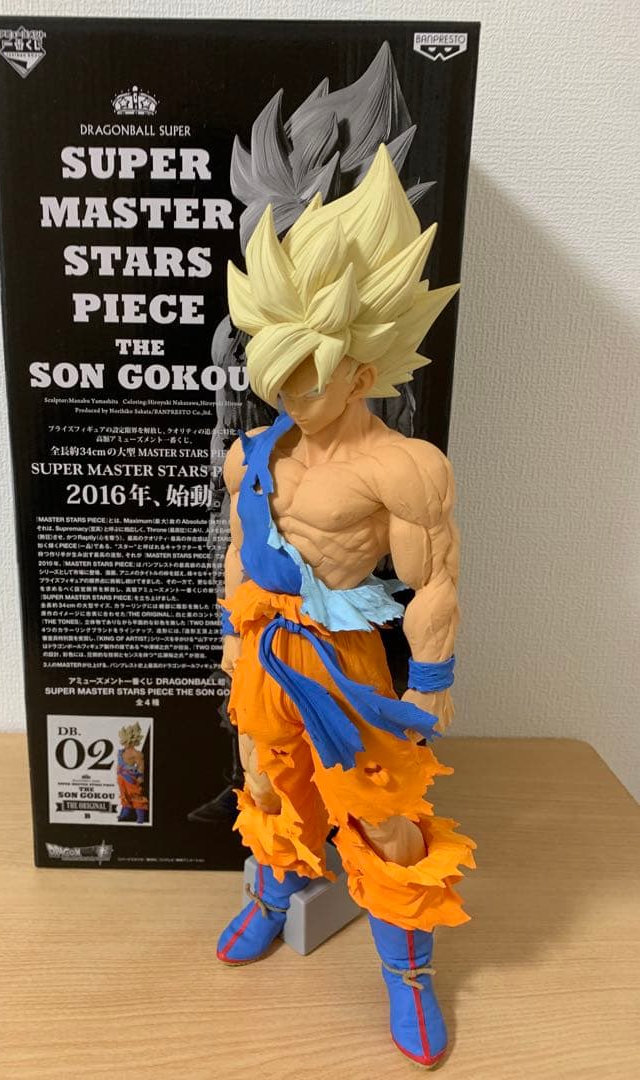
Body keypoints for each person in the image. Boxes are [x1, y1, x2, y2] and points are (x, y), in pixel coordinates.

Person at [216, 143, 477, 1070]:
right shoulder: (253, 455)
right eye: (277, 369)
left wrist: (432, 682)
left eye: (311, 373)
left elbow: (434, 581)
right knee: (262, 779)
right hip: (264, 651)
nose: (290, 392)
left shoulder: (403, 468)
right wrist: (231, 635)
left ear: (362, 372)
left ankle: (408, 973)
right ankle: (273, 892)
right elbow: (240, 551)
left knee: (383, 813)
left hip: (344, 663)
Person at [116, 722, 149, 824]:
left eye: (126, 740)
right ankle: (125, 814)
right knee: (124, 795)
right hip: (120, 777)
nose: (125, 743)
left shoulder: (137, 754)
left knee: (135, 796)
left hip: (130, 777)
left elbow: (140, 766)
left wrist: (140, 776)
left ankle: (140, 816)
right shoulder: (121, 752)